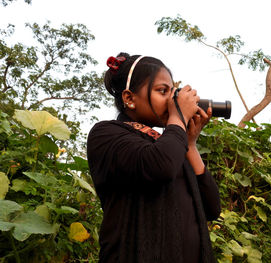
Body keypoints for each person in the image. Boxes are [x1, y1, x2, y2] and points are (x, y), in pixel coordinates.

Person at [87, 52, 221, 263]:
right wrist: (178, 116)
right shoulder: (106, 134)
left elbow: (211, 207)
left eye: (172, 91)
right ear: (129, 98)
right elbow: (159, 166)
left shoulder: (170, 144)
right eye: (162, 91)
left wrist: (191, 145)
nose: (171, 100)